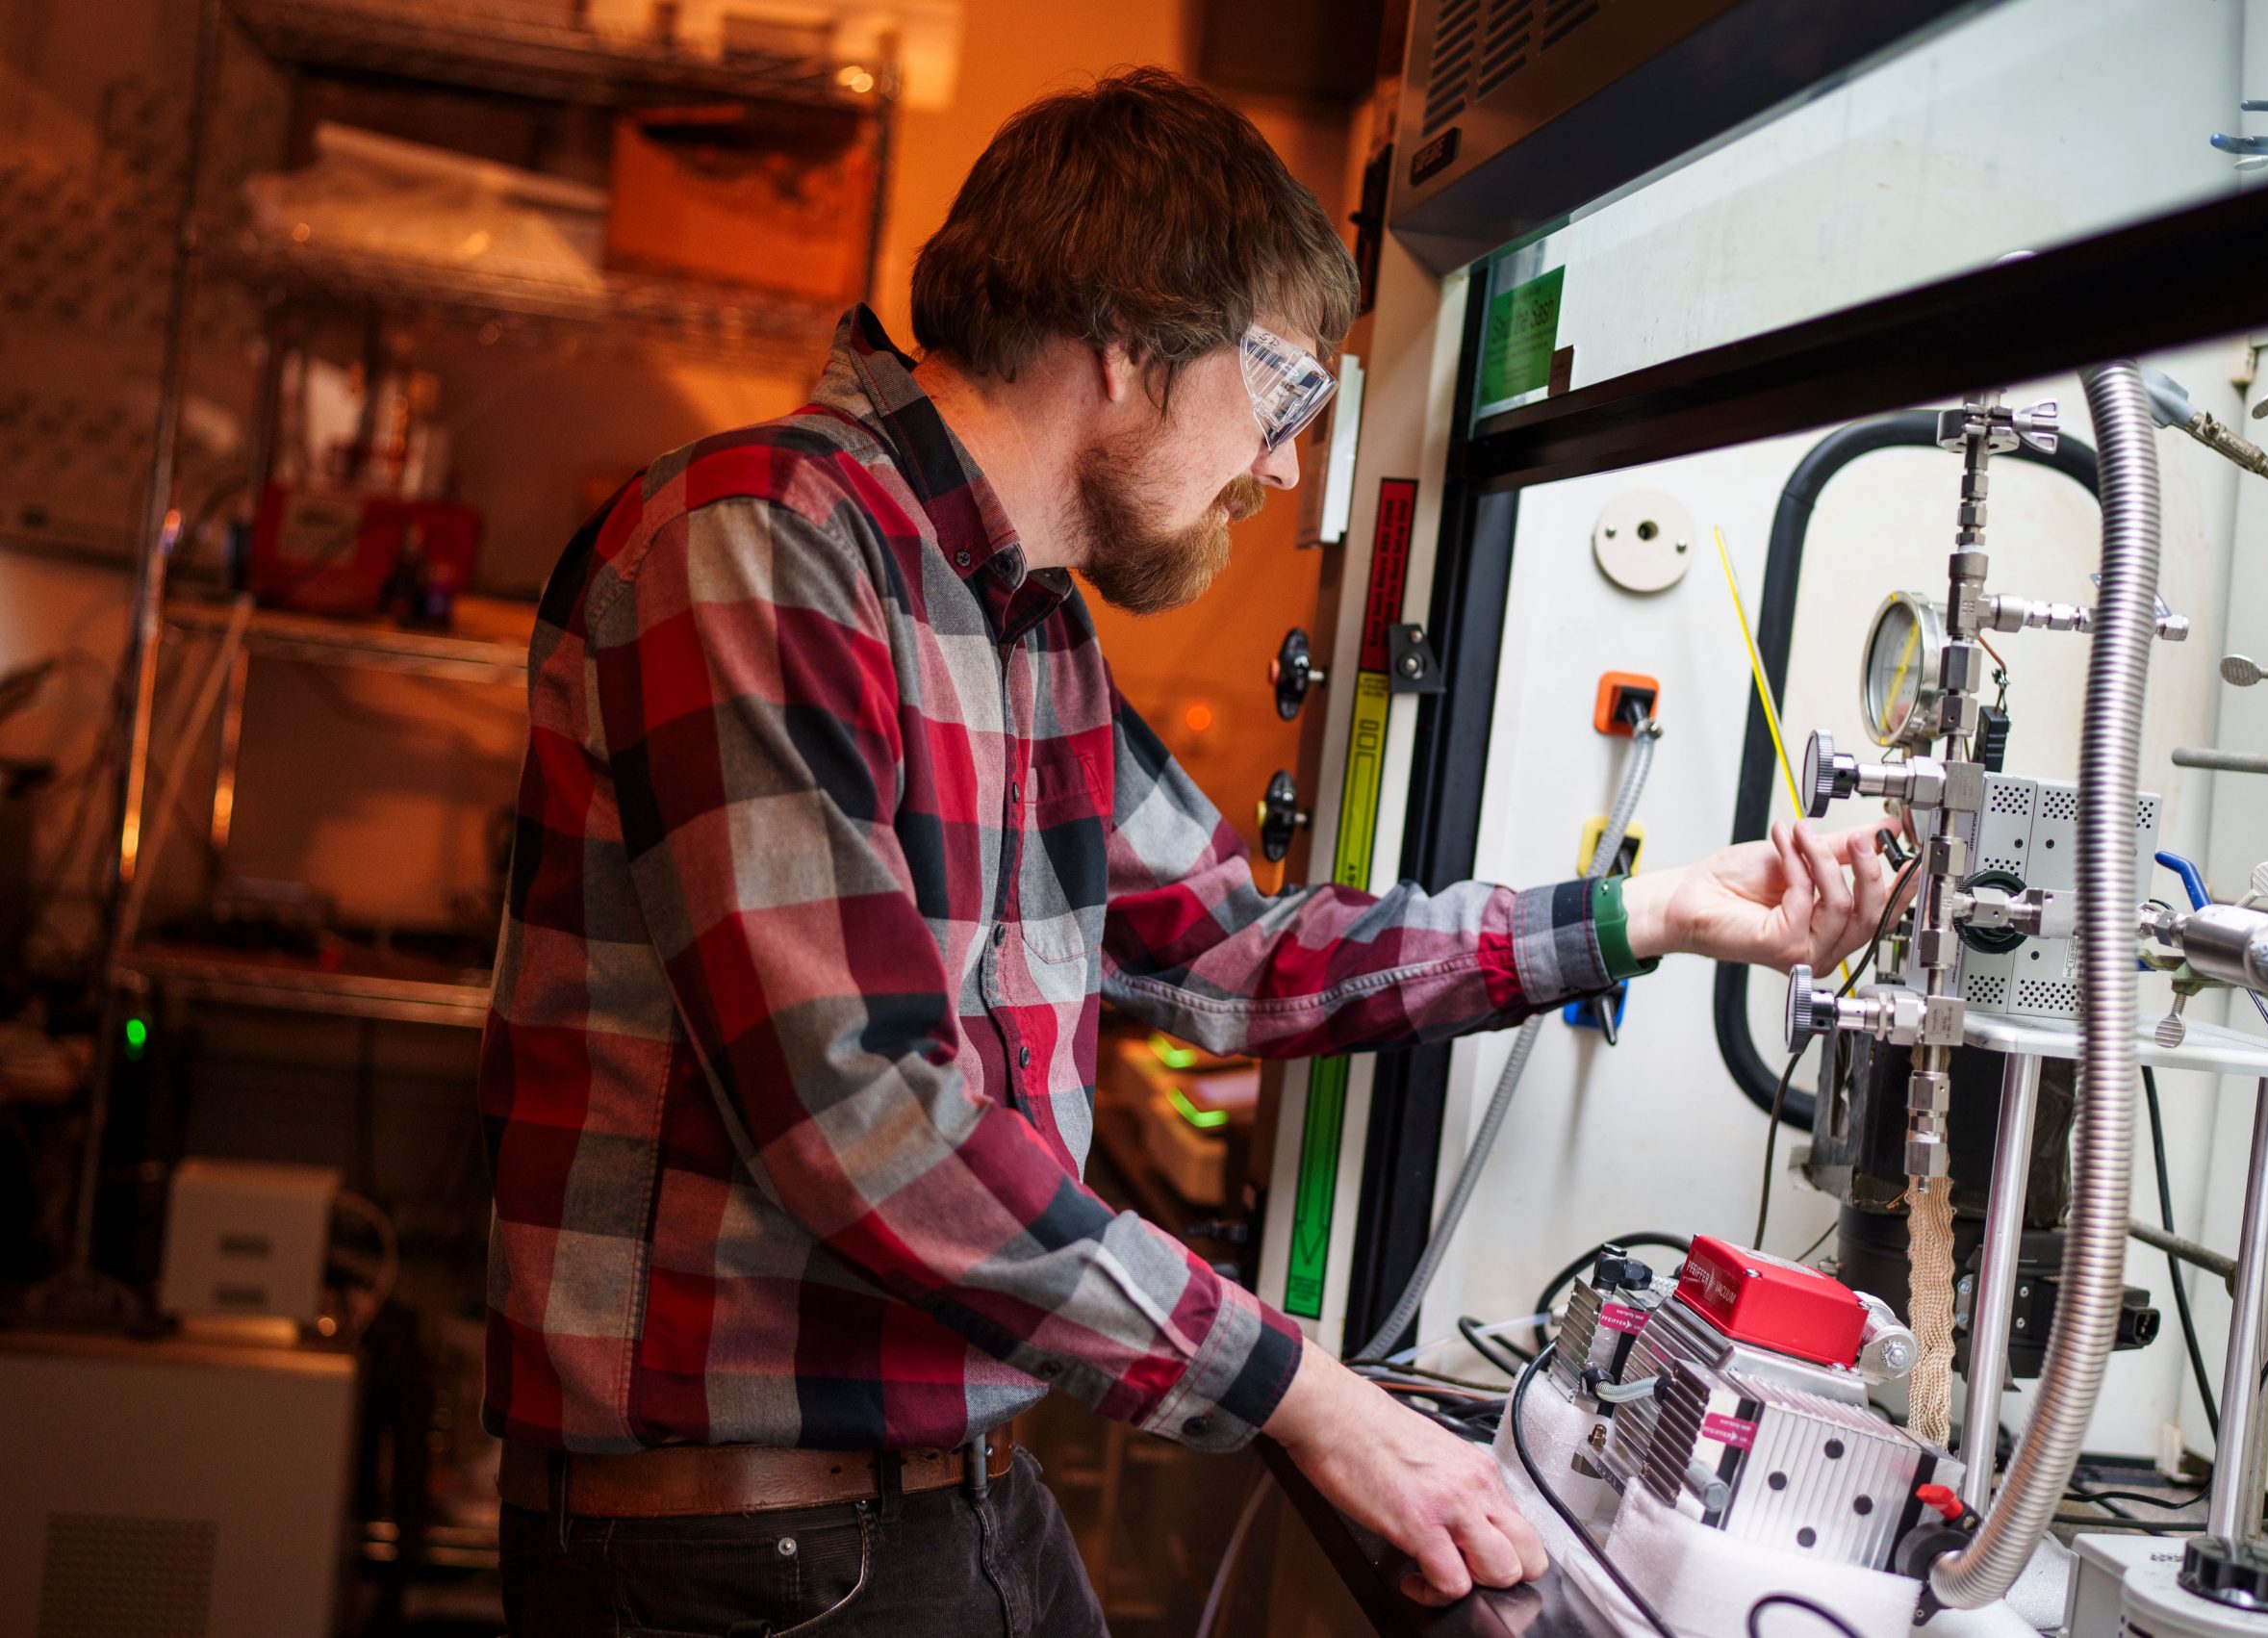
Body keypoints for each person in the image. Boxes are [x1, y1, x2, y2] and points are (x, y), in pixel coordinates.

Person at [479, 66, 1893, 1638]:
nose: (1287, 467)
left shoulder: (1028, 628)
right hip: (738, 1563)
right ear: (1127, 343)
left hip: (949, 1498)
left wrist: (1652, 913)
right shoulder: (754, 540)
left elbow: (1237, 944)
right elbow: (863, 1115)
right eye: (1287, 392)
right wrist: (1309, 1398)